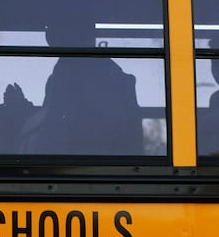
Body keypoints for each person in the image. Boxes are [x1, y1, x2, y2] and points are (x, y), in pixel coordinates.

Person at [13, 16, 143, 155]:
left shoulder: (88, 70)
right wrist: (23, 106)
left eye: (55, 37)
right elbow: (51, 114)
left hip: (90, 155)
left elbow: (55, 117)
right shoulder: (95, 68)